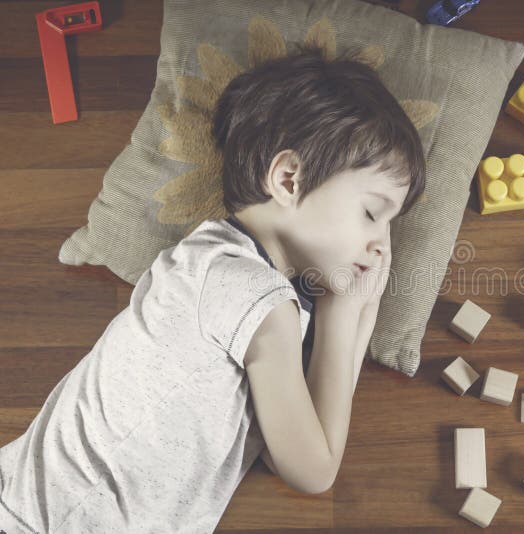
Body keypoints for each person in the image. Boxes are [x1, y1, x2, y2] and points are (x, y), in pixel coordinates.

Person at [0, 43, 425, 533]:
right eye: (372, 214)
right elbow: (313, 468)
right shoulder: (255, 299)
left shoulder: (217, 262)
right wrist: (344, 314)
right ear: (289, 179)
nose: (380, 246)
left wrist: (359, 307)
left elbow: (292, 437)